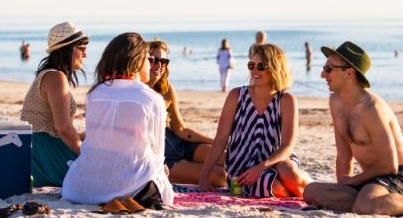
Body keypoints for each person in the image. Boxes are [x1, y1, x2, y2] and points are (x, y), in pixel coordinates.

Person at [303, 41, 403, 218]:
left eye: (329, 68)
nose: (322, 74)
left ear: (349, 72)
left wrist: (353, 181)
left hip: (397, 177)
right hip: (368, 180)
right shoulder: (336, 102)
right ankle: (377, 203)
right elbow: (343, 155)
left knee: (365, 205)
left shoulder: (372, 109)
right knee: (311, 192)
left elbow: (389, 165)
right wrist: (344, 185)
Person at [63, 33, 174, 208]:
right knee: (160, 182)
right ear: (137, 61)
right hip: (131, 188)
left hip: (80, 187)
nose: (151, 64)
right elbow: (157, 155)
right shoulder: (151, 99)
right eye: (149, 59)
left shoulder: (94, 93)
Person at [199, 43, 311, 198]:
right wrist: (204, 176)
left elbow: (287, 145)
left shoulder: (286, 100)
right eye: (251, 65)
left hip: (276, 160)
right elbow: (220, 139)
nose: (254, 71)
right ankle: (297, 194)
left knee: (289, 172)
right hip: (243, 168)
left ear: (275, 68)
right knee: (275, 187)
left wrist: (262, 166)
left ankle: (316, 191)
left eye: (261, 66)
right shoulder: (236, 95)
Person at [149, 40, 227, 187]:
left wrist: (216, 143)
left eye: (164, 61)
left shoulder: (167, 90)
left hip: (181, 144)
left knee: (228, 158)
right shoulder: (135, 93)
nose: (159, 65)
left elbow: (181, 130)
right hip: (164, 157)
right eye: (154, 60)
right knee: (220, 176)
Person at [20, 22, 89, 187]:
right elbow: (63, 128)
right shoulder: (56, 77)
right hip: (48, 153)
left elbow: (56, 127)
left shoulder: (50, 75)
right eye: (82, 48)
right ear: (68, 49)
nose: (85, 55)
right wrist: (86, 155)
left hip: (41, 149)